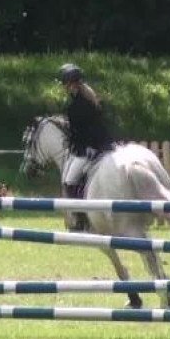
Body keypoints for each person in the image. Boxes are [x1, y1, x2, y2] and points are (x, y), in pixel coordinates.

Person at [59, 63, 115, 230]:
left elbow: (80, 133)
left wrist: (78, 145)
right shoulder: (92, 99)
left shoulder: (76, 106)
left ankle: (81, 219)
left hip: (89, 149)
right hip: (105, 145)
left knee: (70, 182)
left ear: (69, 84)